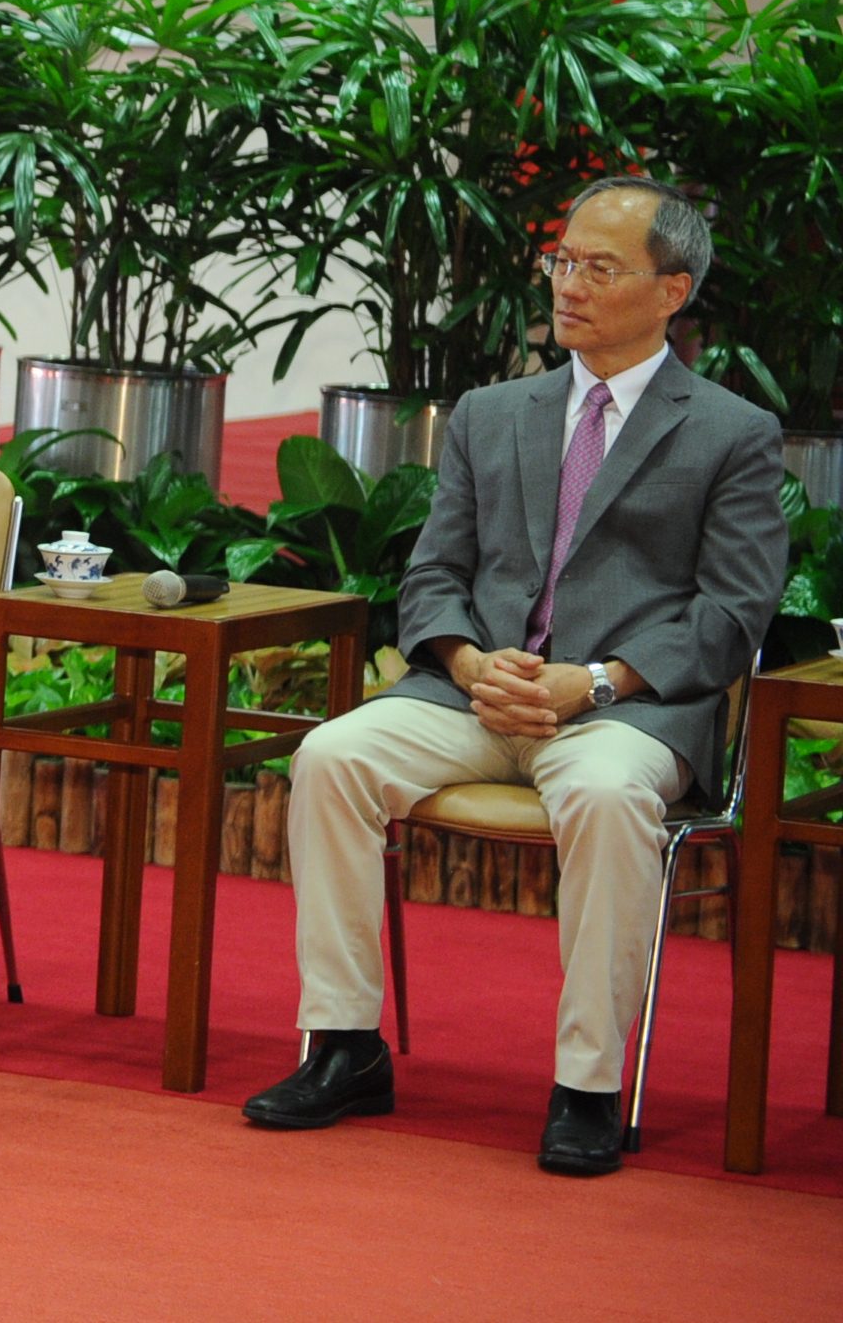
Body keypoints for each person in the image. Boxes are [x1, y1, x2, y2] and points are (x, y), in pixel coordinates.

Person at [243, 175, 786, 1176]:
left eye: (599, 267)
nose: (567, 285)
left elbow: (731, 614)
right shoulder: (492, 413)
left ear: (671, 291)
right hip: (475, 695)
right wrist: (466, 660)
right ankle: (345, 1045)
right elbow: (433, 574)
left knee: (609, 796)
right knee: (331, 756)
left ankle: (587, 1083)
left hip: (624, 711)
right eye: (561, 260)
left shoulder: (730, 432)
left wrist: (599, 681)